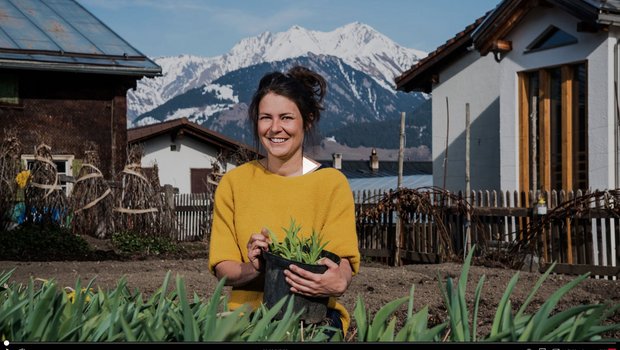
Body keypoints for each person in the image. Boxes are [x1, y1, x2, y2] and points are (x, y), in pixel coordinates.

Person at [208, 65, 360, 337]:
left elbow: (343, 261)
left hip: (313, 318)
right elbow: (223, 268)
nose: (275, 128)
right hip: (245, 320)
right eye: (266, 118)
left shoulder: (330, 184)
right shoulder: (234, 183)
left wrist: (340, 280)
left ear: (308, 119)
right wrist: (252, 267)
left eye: (286, 118)